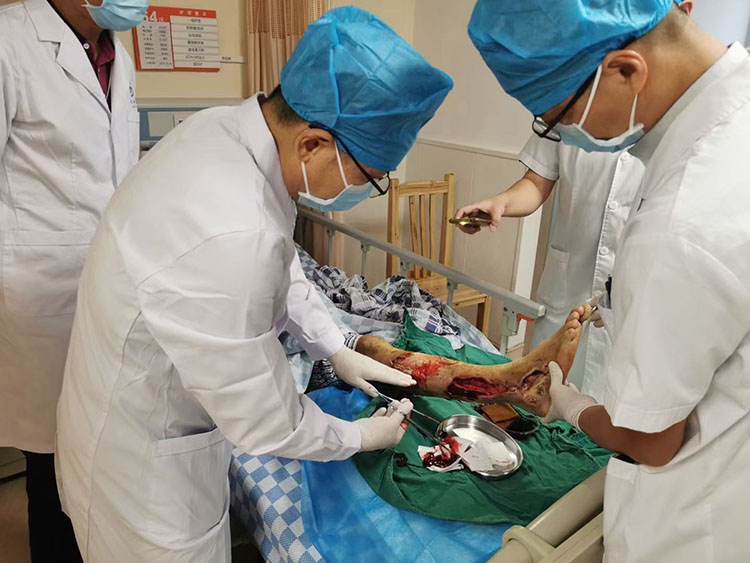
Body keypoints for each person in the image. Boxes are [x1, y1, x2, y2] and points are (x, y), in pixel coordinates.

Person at [55, 6, 453, 561]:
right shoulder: (231, 229)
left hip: (121, 402)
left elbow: (283, 264)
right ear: (312, 145)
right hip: (145, 476)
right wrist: (361, 437)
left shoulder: (226, 133)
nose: (372, 188)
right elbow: (269, 422)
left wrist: (334, 346)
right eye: (371, 177)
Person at [469, 0, 750, 561]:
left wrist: (569, 404)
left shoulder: (682, 222)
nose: (562, 135)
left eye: (559, 118)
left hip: (692, 527)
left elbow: (651, 441)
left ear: (625, 70)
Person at [457, 3, 696, 402]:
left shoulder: (676, 120)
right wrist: (501, 203)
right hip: (566, 295)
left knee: (605, 412)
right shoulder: (568, 95)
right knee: (540, 398)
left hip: (633, 311)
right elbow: (537, 181)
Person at [0, 0, 145, 560]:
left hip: (107, 285)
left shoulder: (116, 54)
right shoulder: (10, 39)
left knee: (96, 451)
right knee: (51, 463)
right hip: (37, 293)